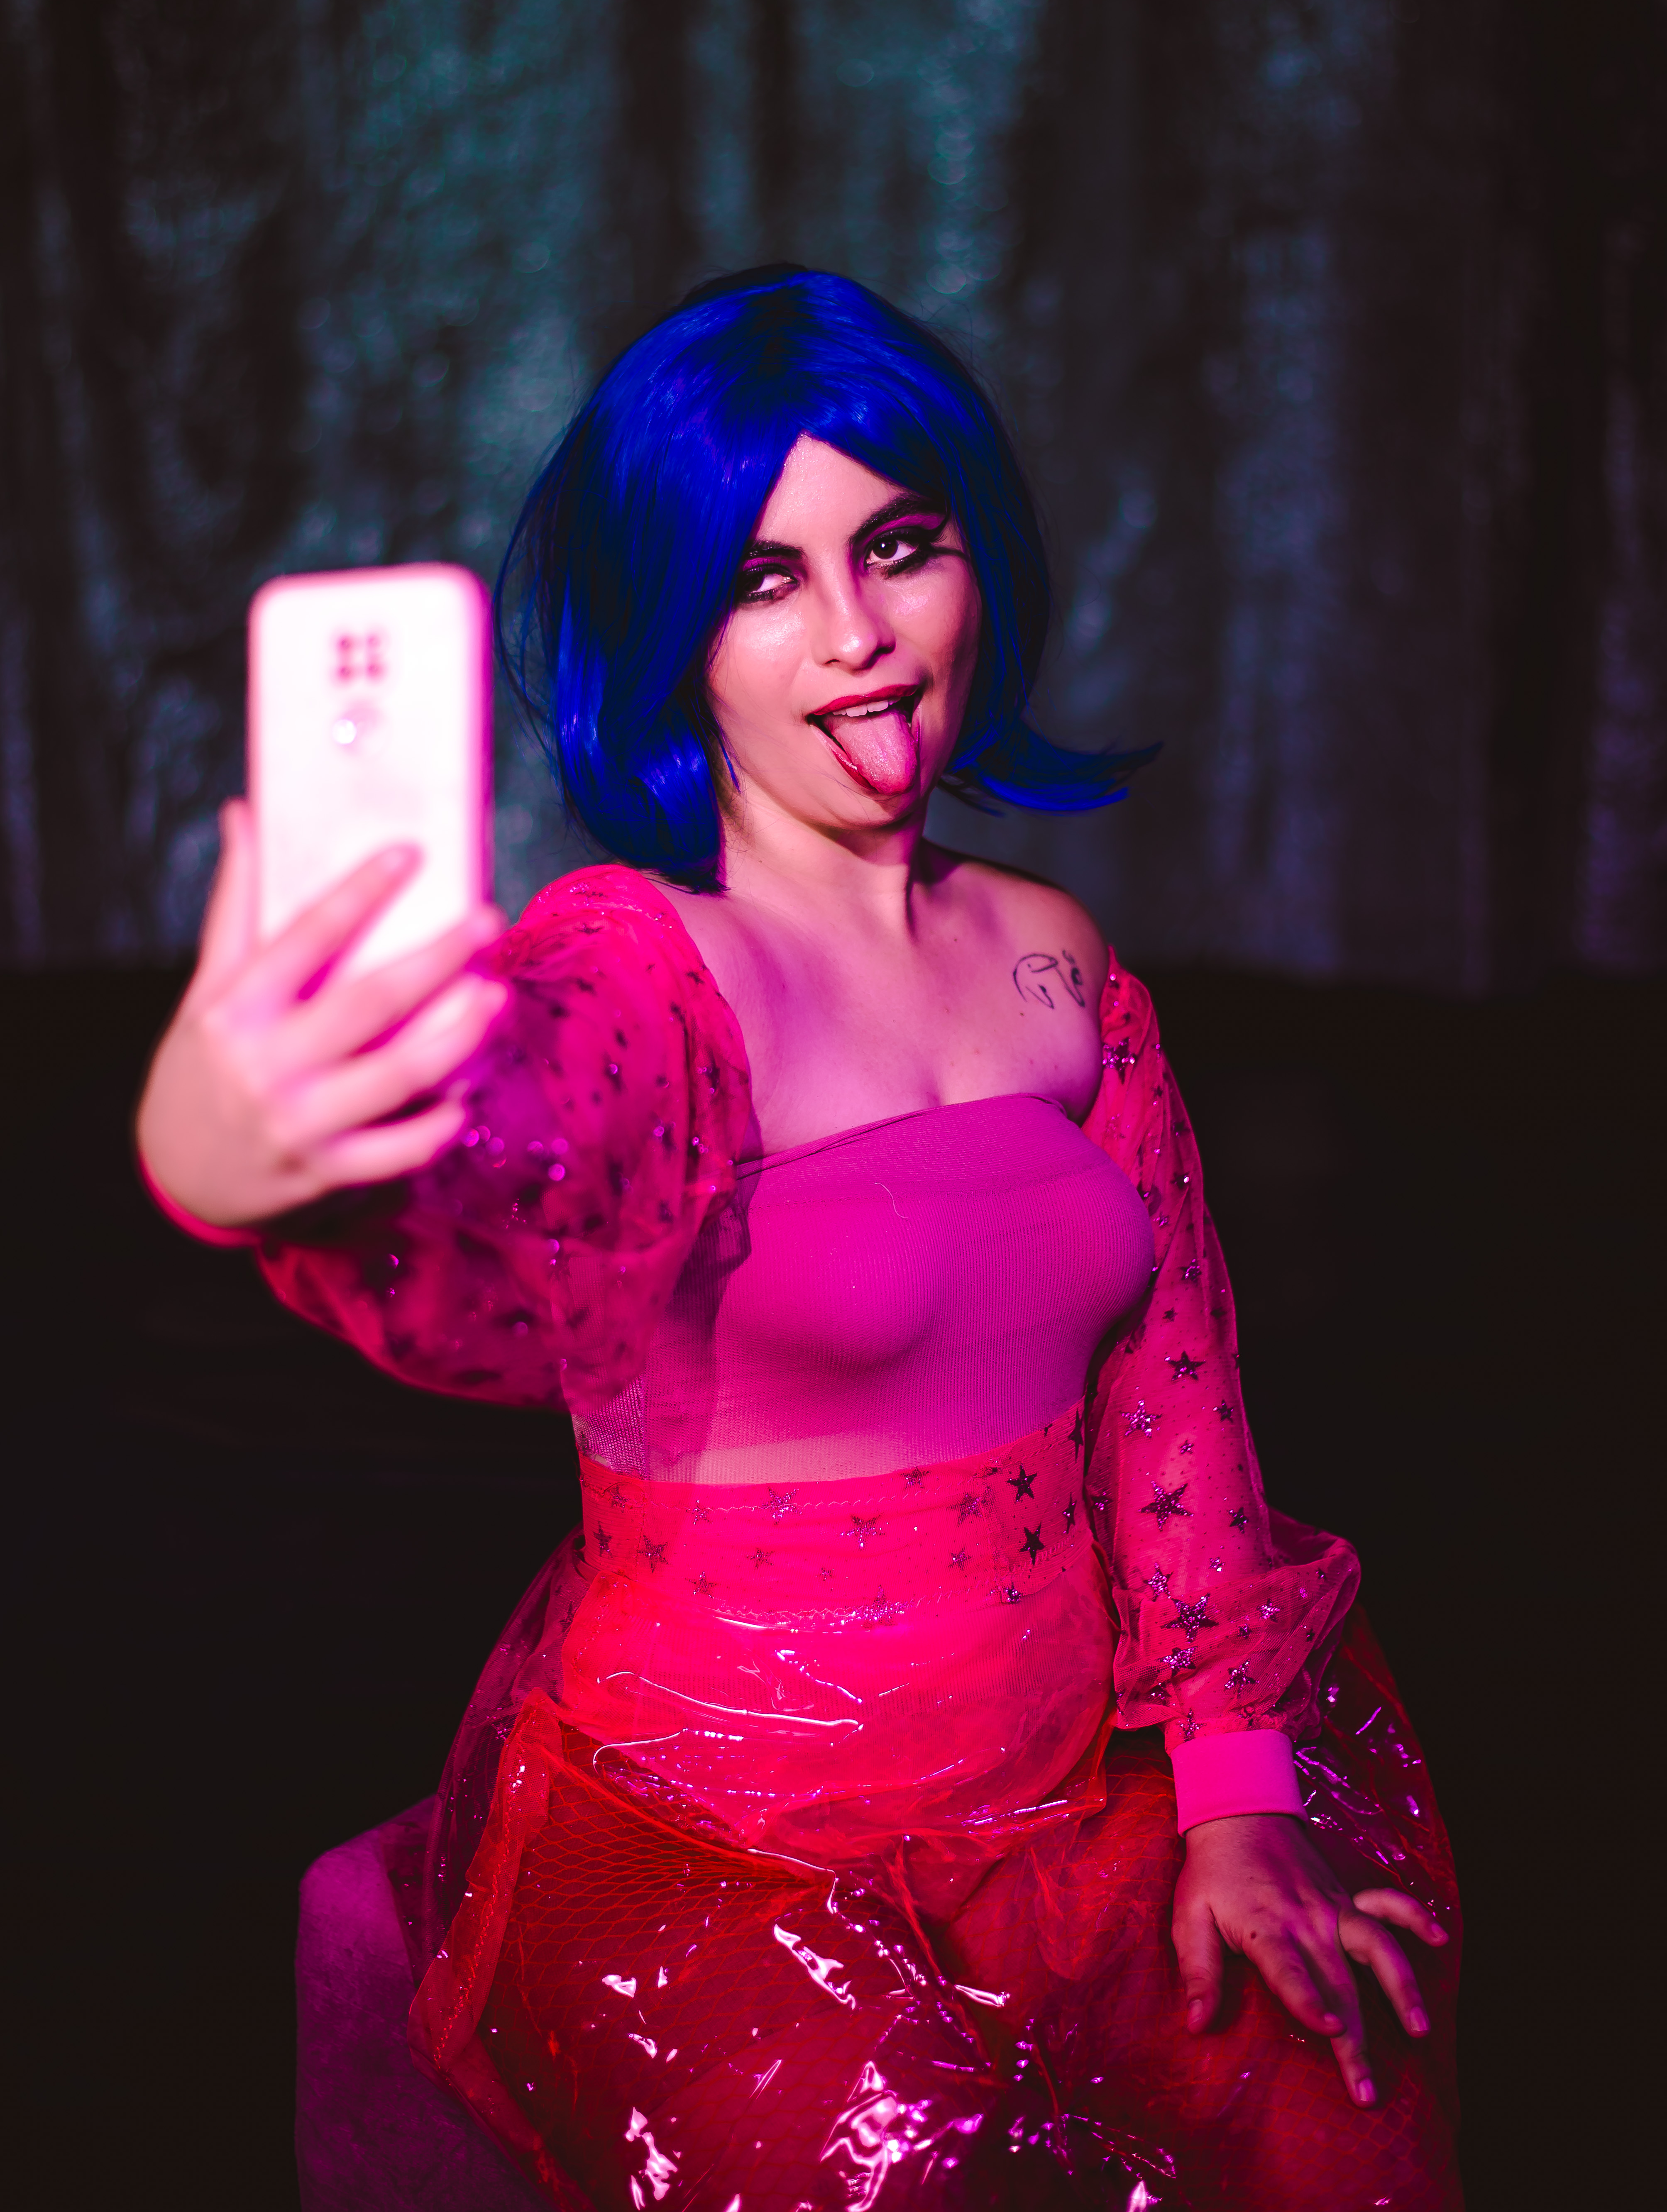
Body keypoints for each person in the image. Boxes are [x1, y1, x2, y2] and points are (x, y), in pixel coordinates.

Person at [137, 268, 1462, 2210]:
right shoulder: (643, 966)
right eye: (763, 581)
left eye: (897, 547)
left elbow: (1172, 1412)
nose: (857, 635)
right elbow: (505, 1167)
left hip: (1065, 1817)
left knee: (1328, 2079)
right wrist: (235, 1155)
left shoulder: (1056, 958)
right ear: (672, 637)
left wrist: (1234, 1799)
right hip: (717, 1851)